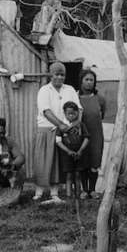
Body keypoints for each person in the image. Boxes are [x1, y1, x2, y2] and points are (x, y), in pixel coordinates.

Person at [34, 61, 82, 205]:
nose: (60, 78)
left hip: (66, 131)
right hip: (47, 129)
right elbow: (46, 111)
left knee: (58, 163)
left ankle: (54, 192)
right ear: (51, 75)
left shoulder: (70, 89)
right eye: (57, 74)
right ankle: (39, 192)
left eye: (62, 75)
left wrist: (76, 123)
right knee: (43, 160)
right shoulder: (44, 90)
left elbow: (79, 108)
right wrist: (60, 124)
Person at [77, 68, 106, 199]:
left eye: (92, 80)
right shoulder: (75, 97)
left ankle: (93, 190)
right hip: (81, 136)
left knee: (94, 161)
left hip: (95, 135)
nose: (89, 82)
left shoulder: (99, 98)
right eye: (86, 80)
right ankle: (84, 190)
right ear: (81, 81)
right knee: (83, 162)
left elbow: (102, 115)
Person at [55, 101, 90, 199]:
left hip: (79, 154)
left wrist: (81, 150)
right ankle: (69, 196)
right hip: (66, 155)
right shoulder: (62, 126)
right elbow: (58, 141)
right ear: (64, 113)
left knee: (78, 174)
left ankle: (78, 196)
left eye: (73, 113)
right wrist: (68, 151)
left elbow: (87, 138)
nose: (71, 116)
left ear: (77, 113)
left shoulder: (80, 125)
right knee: (69, 175)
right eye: (68, 113)